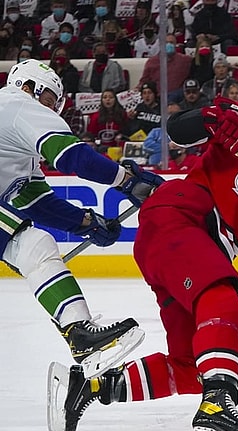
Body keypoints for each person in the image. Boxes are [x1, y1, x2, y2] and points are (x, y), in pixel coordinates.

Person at [57, 101, 238, 431]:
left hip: (185, 251)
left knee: (190, 368)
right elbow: (178, 129)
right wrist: (210, 120)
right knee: (223, 301)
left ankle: (91, 386)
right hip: (178, 219)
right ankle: (217, 407)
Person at [0, 59, 162, 379]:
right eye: (48, 101)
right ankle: (79, 334)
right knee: (33, 246)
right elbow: (74, 157)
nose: (50, 111)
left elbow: (31, 198)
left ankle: (79, 334)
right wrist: (126, 180)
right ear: (28, 87)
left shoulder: (12, 130)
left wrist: (86, 222)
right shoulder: (16, 103)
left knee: (34, 246)